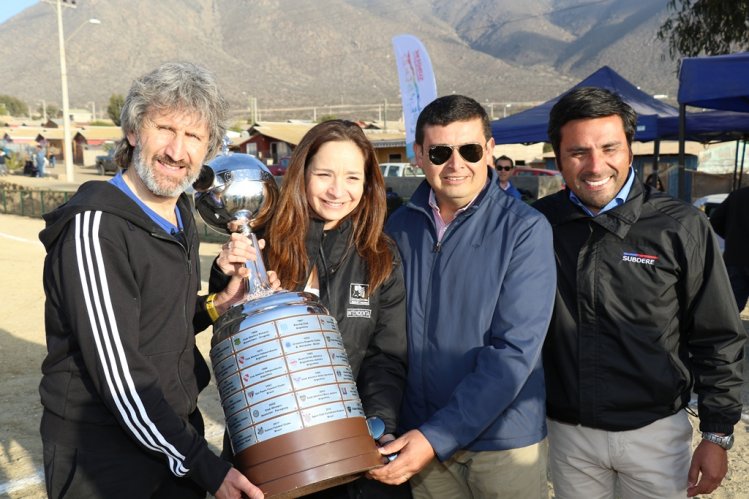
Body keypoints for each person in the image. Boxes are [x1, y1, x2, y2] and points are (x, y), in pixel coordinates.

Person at [38, 62, 265, 499]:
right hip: (104, 454)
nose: (177, 151)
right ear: (134, 131)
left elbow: (161, 321)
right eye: (165, 128)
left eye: (194, 137)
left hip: (172, 436)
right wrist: (204, 466)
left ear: (208, 149)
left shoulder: (180, 213)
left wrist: (221, 303)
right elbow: (120, 377)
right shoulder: (95, 228)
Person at [533, 87, 746, 499]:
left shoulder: (679, 226)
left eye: (610, 147)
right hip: (567, 436)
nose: (596, 165)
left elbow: (718, 335)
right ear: (557, 157)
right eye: (578, 152)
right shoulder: (537, 226)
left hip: (656, 436)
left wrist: (717, 434)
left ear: (631, 150)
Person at [210, 119, 409, 499]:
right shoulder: (261, 240)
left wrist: (376, 426)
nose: (338, 190)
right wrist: (225, 276)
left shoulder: (381, 257)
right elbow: (226, 331)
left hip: (345, 459)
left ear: (368, 183)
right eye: (324, 174)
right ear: (303, 174)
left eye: (353, 177)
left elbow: (386, 357)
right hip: (266, 461)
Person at [370, 95, 556, 498]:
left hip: (503, 442)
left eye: (469, 149)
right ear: (418, 155)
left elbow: (514, 350)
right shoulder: (397, 229)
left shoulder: (525, 229)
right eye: (440, 152)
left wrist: (437, 435)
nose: (456, 164)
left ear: (489, 150)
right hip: (419, 437)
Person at [710, 185, 749, 312]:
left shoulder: (737, 195)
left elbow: (715, 220)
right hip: (735, 258)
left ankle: (725, 331)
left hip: (735, 258)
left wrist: (733, 239)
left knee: (731, 308)